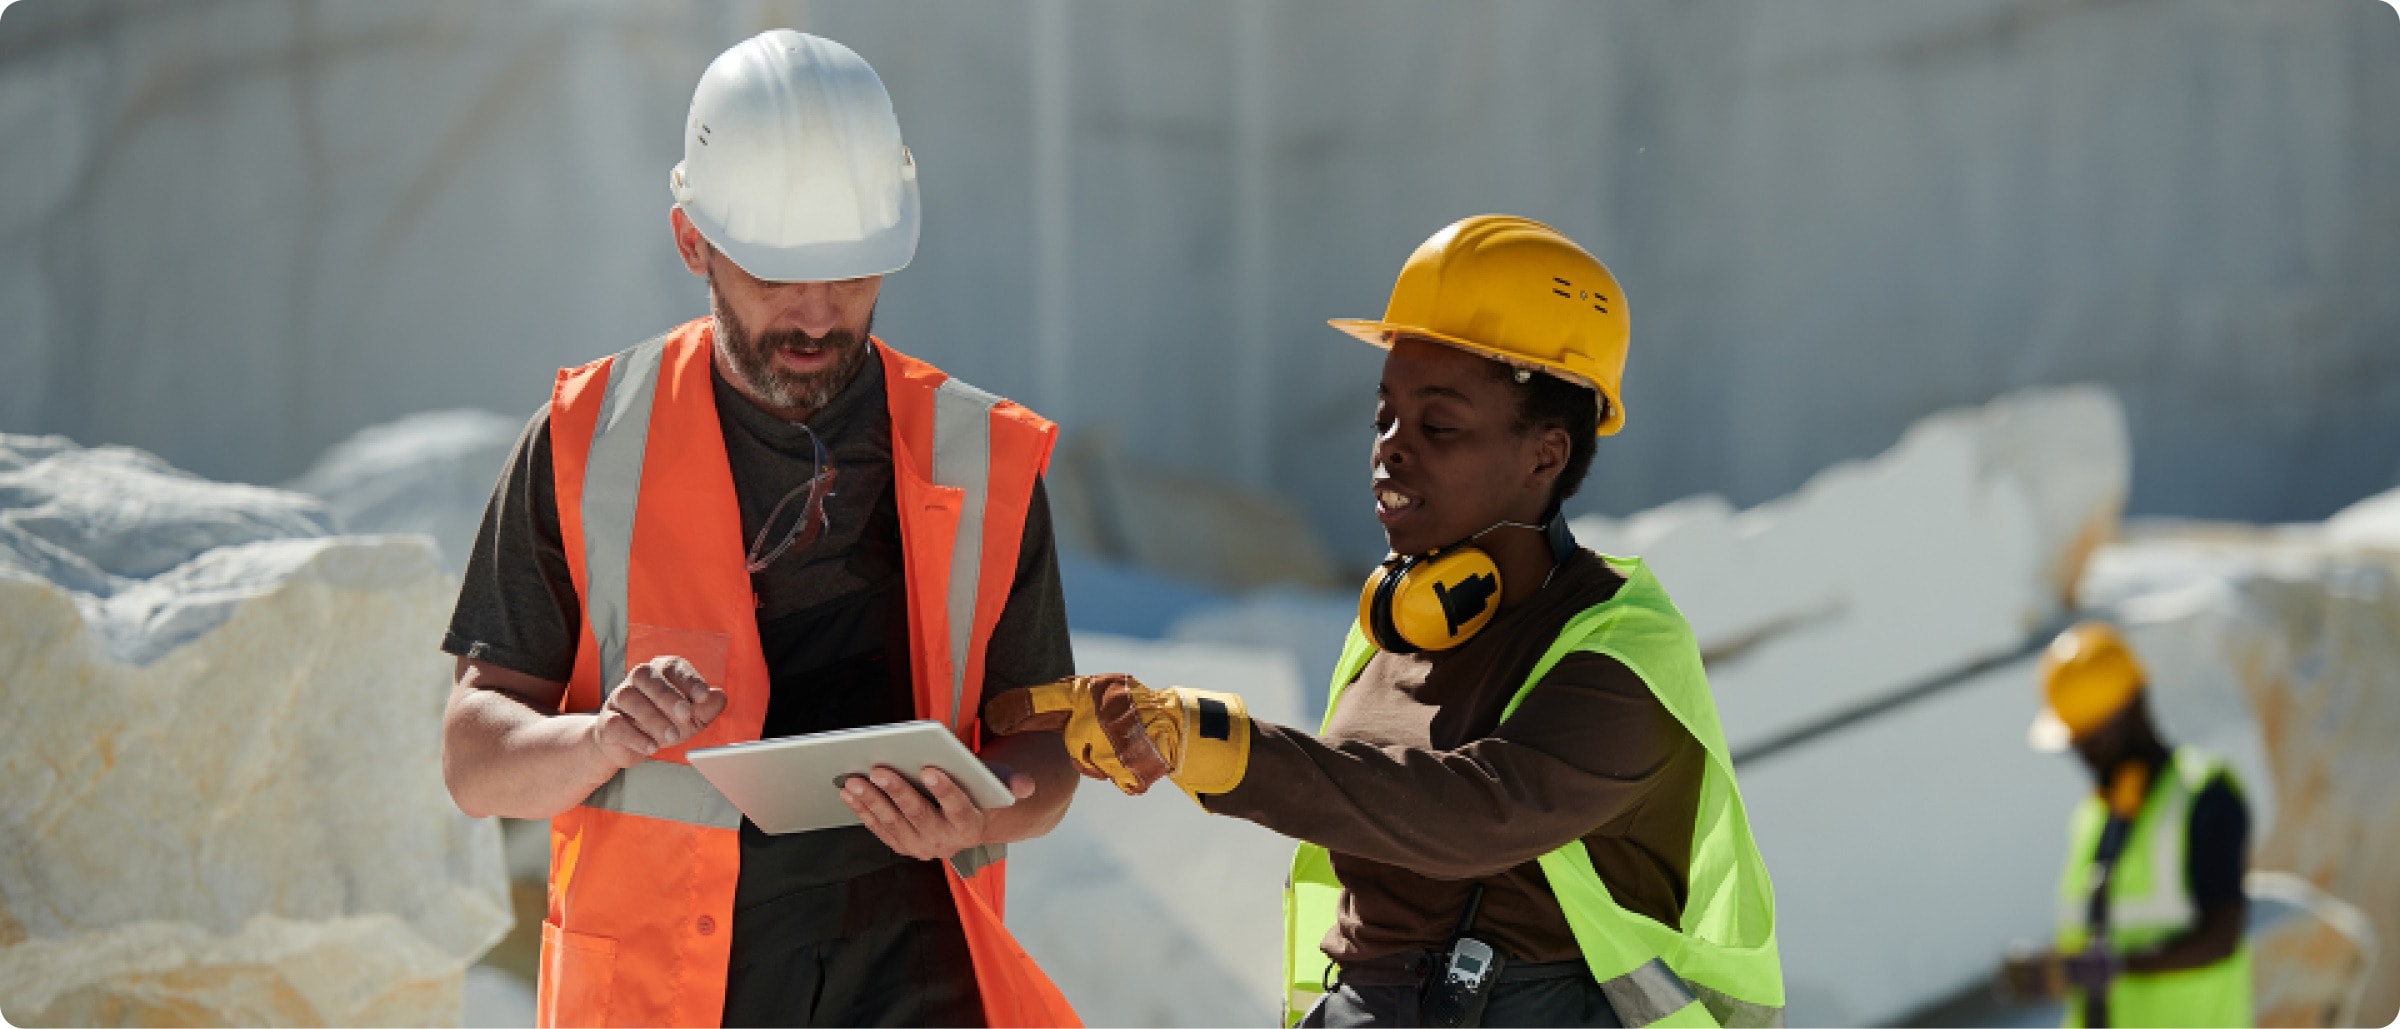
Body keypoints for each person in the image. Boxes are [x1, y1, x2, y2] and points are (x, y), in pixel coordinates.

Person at [990, 215, 1784, 1028]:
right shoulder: (1391, 629)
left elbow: (1472, 815)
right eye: (1385, 417)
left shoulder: (1622, 647)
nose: (1391, 449)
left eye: (1438, 425)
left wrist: (1215, 743)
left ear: (1544, 455)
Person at [437, 30, 1080, 1029]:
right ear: (693, 242)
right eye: (777, 277)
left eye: (852, 276)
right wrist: (600, 739)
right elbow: (475, 758)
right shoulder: (585, 440)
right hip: (668, 994)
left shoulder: (983, 457)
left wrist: (992, 800)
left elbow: (1045, 748)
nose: (818, 316)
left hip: (921, 983)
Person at [1998, 622, 2253, 1028]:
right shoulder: (2094, 816)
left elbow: (2221, 938)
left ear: (2135, 710)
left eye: (2094, 741)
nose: (2086, 760)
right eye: (2075, 746)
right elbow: (2097, 938)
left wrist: (2105, 967)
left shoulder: (2204, 797)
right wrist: (2055, 969)